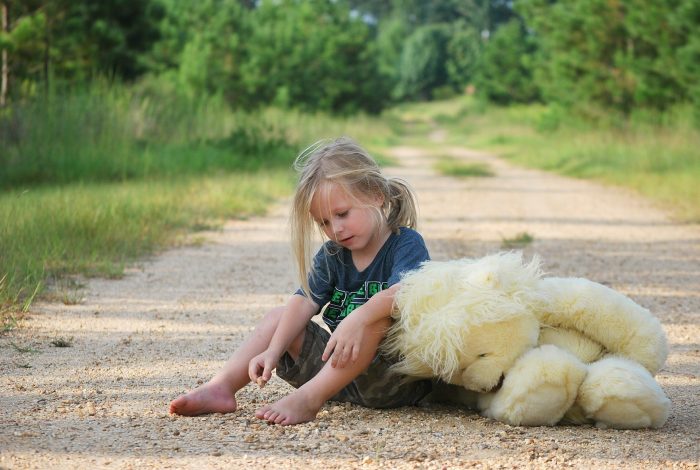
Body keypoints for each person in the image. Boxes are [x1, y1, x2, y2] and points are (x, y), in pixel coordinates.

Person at [169, 137, 432, 425]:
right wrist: (273, 348)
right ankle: (222, 387)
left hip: (392, 381)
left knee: (377, 320)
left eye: (342, 214)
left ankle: (309, 400)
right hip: (337, 375)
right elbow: (304, 300)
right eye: (324, 223)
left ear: (375, 195)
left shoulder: (404, 243)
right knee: (280, 317)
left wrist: (358, 318)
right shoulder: (334, 254)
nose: (336, 229)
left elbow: (405, 292)